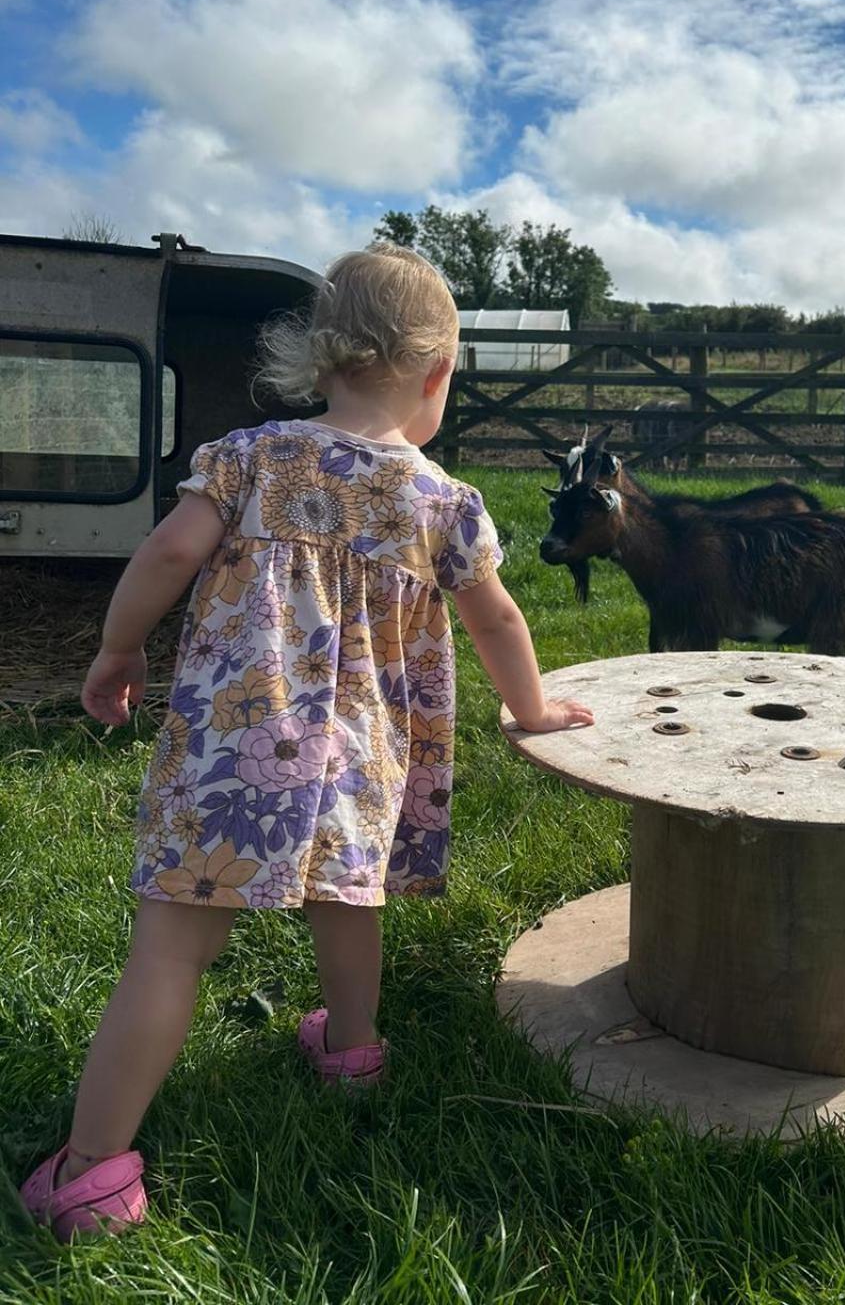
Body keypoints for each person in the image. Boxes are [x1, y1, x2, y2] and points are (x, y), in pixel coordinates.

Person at [21, 246, 594, 1240]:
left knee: (171, 949)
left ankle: (92, 1173)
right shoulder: (442, 502)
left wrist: (118, 648)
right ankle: (354, 1049)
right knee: (348, 898)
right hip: (357, 762)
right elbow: (497, 620)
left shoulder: (248, 456)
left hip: (229, 754)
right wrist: (532, 710)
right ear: (437, 375)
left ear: (320, 359)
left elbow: (167, 552)